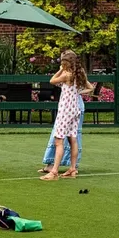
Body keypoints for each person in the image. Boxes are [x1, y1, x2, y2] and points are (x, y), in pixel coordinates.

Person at [42, 50, 89, 181]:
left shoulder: (67, 74)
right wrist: (79, 91)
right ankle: (72, 169)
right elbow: (90, 87)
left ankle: (54, 171)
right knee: (72, 139)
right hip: (75, 109)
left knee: (59, 141)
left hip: (65, 110)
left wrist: (60, 70)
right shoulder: (80, 74)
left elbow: (52, 80)